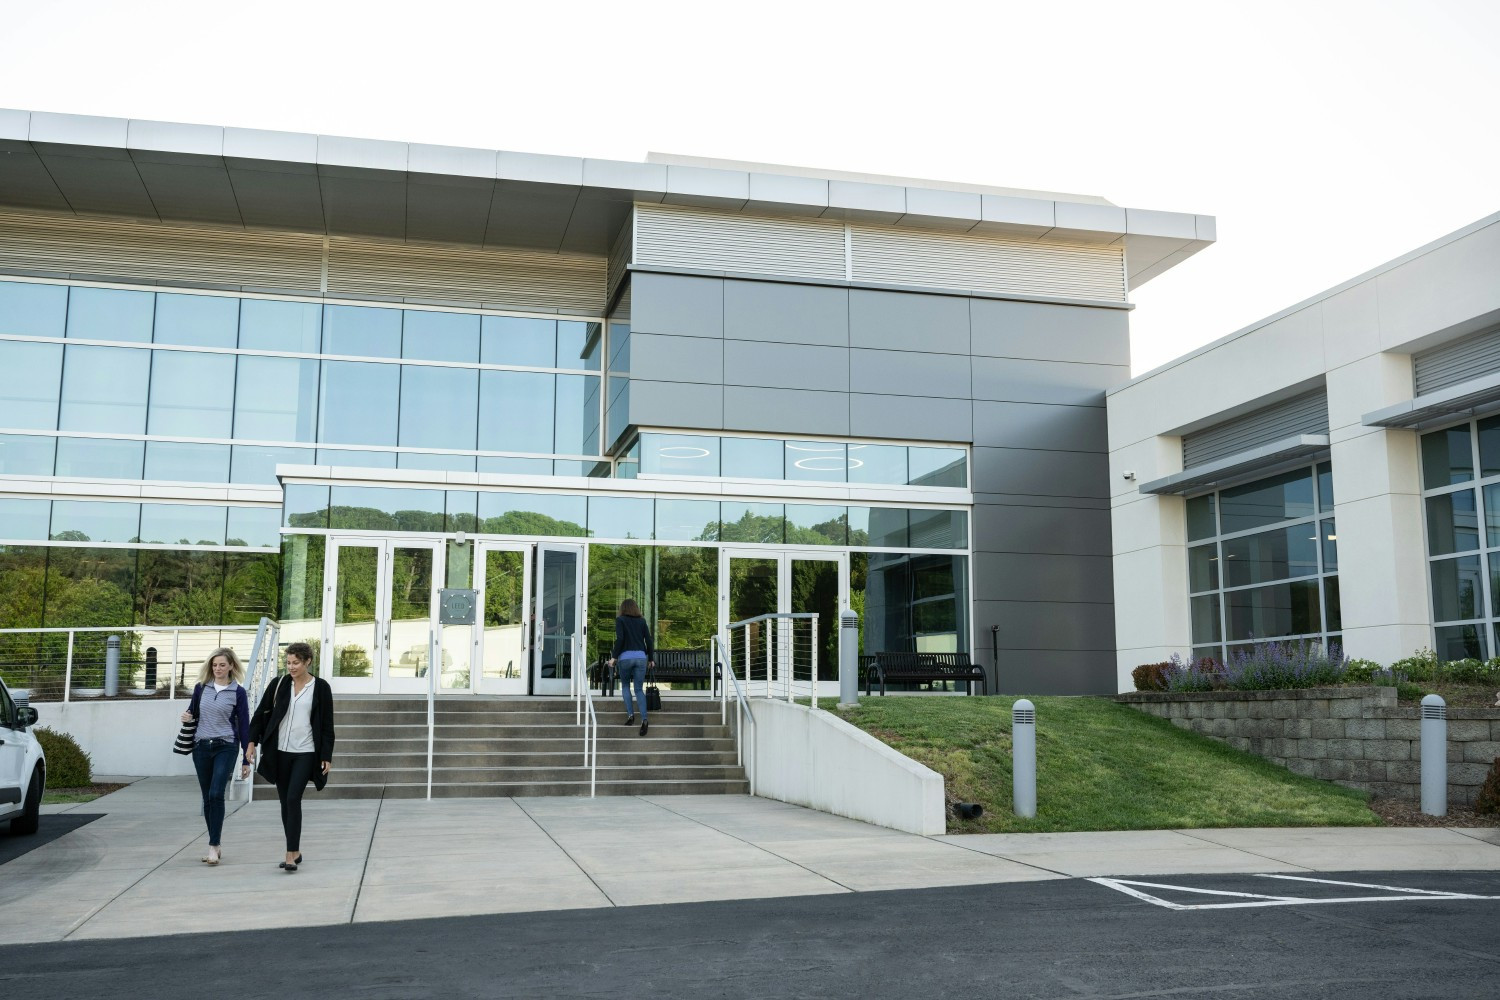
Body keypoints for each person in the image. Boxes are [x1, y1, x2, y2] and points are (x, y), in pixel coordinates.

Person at [247, 642, 335, 873]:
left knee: (293, 798)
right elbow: (260, 714)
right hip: (279, 752)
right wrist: (251, 742)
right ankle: (295, 851)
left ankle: (289, 854)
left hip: (306, 752)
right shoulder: (279, 684)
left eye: (296, 662)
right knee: (285, 801)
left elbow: (326, 724)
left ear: (308, 662)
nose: (291, 667)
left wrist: (326, 754)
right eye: (288, 663)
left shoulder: (321, 688)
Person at [184, 647, 250, 867]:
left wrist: (246, 759)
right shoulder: (201, 688)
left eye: (222, 665)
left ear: (231, 666)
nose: (218, 669)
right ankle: (215, 843)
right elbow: (192, 712)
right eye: (214, 665)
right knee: (207, 798)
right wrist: (186, 716)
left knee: (216, 793)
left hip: (226, 746)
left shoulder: (238, 692)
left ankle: (213, 845)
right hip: (201, 746)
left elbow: (244, 725)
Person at [606, 598, 654, 736]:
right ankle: (644, 720)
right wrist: (651, 659)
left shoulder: (620, 620)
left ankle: (631, 716)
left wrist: (613, 658)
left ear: (623, 608)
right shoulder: (642, 621)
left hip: (625, 658)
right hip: (640, 657)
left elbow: (620, 639)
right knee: (639, 689)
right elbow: (649, 640)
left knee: (626, 686)